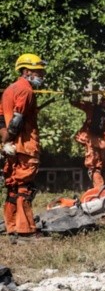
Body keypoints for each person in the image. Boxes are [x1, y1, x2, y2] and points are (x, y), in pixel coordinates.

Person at [2, 54, 46, 239]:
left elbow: (1, 121)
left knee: (12, 186)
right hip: (25, 146)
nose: (41, 75)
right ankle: (26, 231)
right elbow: (16, 121)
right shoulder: (25, 90)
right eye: (38, 72)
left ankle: (11, 227)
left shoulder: (9, 90)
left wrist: (5, 142)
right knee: (24, 187)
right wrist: (9, 139)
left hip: (11, 146)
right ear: (27, 71)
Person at [71, 95, 105, 190]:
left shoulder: (92, 107)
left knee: (94, 165)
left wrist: (73, 95)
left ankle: (99, 189)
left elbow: (76, 102)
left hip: (92, 139)